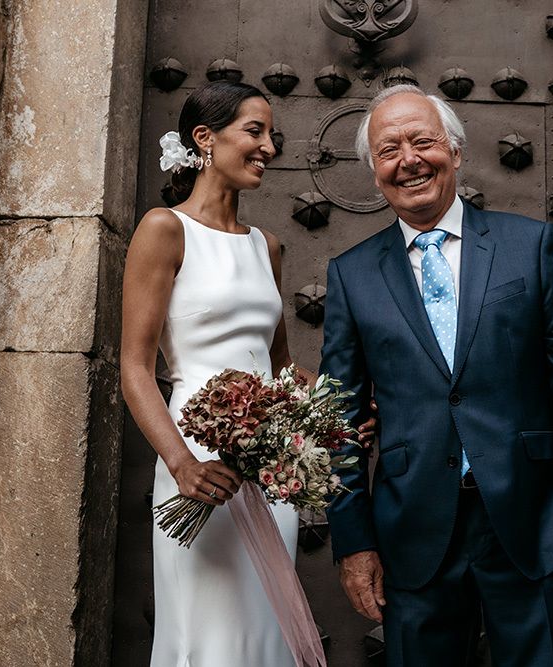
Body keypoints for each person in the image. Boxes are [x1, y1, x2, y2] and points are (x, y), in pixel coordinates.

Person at [121, 81, 376, 667]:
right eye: (254, 131)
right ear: (204, 139)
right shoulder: (164, 229)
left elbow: (281, 370)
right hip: (198, 464)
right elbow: (134, 367)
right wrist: (181, 464)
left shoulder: (268, 246)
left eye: (271, 134)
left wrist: (333, 418)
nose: (268, 147)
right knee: (209, 634)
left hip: (269, 469)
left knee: (263, 632)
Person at [321, 83, 553, 667]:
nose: (408, 159)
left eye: (422, 141)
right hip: (413, 531)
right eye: (388, 150)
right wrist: (353, 542)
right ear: (374, 171)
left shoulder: (531, 245)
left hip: (533, 522)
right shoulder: (351, 275)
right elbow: (340, 421)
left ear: (454, 152)